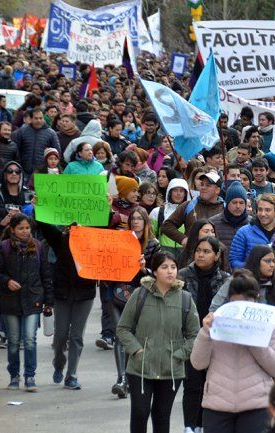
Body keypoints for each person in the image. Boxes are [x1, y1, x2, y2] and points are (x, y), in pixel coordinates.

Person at [191, 269, 275, 433]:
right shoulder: (216, 323)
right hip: (217, 404)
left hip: (256, 405)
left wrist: (254, 339)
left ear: (256, 300)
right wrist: (205, 332)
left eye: (248, 302)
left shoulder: (271, 326)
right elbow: (198, 363)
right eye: (236, 302)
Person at [116, 251, 200, 433]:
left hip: (171, 369)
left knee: (162, 416)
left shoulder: (185, 298)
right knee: (140, 412)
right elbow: (122, 328)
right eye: (164, 267)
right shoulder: (140, 295)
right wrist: (137, 351)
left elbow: (195, 334)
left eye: (173, 267)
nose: (170, 271)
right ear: (154, 271)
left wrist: (180, 354)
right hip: (141, 367)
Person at [0, 213, 53, 392]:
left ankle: (30, 376)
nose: (25, 231)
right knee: (14, 341)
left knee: (30, 339)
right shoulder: (3, 247)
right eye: (21, 228)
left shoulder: (38, 247)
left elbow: (45, 275)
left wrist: (49, 301)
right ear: (12, 230)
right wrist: (7, 281)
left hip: (33, 301)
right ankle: (14, 375)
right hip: (10, 302)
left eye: (27, 228)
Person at [104, 206, 161, 399]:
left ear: (146, 222)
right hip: (116, 294)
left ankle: (130, 378)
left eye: (139, 219)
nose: (136, 222)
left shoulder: (153, 245)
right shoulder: (120, 240)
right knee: (120, 334)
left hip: (140, 297)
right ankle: (122, 379)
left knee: (132, 337)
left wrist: (145, 269)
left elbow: (158, 276)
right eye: (133, 219)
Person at [177, 236, 231, 433]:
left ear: (216, 256)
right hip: (191, 337)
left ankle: (205, 425)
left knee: (211, 384)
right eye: (198, 250)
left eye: (206, 251)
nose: (200, 254)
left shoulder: (226, 279)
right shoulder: (182, 275)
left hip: (216, 340)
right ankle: (190, 426)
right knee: (192, 384)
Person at [162, 172, 225, 248]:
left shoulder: (225, 209)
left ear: (217, 190)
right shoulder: (189, 205)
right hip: (191, 257)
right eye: (202, 184)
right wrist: (183, 239)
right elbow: (166, 226)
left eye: (208, 185)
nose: (203, 187)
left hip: (216, 257)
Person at [228, 193, 275, 269]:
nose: (262, 214)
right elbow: (234, 261)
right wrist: (254, 268)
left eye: (267, 210)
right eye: (260, 209)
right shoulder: (243, 232)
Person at [11, 107, 61, 178]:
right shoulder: (22, 131)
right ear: (31, 119)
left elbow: (57, 153)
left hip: (43, 173)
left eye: (41, 118)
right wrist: (18, 165)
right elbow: (15, 150)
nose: (39, 120)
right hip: (24, 171)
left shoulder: (51, 133)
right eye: (36, 118)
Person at [208, 181, 249, 266]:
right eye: (234, 202)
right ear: (227, 203)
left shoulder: (252, 225)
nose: (238, 206)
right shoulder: (212, 222)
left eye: (241, 203)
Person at [150, 178, 191, 257]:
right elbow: (151, 235)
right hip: (163, 255)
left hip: (184, 255)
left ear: (186, 193)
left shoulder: (192, 213)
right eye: (175, 190)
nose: (178, 194)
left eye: (181, 191)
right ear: (170, 192)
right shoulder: (157, 212)